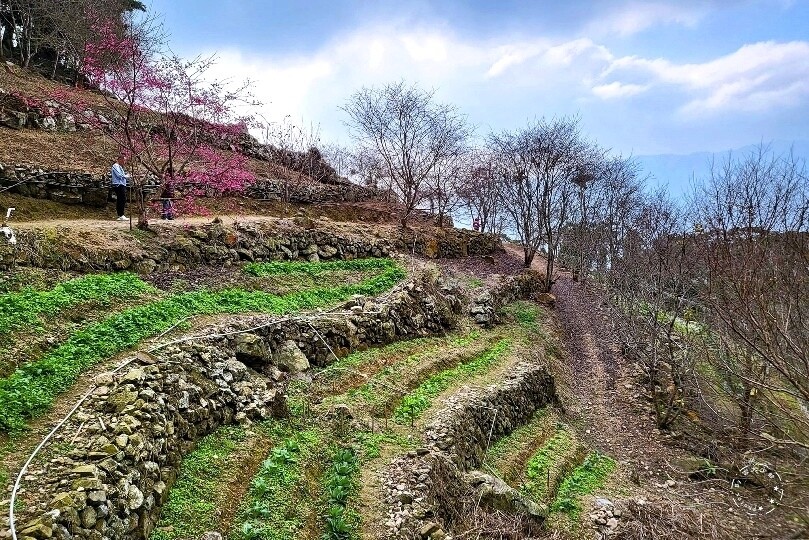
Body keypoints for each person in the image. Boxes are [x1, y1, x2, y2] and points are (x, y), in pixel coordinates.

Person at [111, 155, 130, 221]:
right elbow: (119, 175)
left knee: (121, 199)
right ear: (120, 159)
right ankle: (121, 215)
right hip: (118, 184)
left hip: (121, 184)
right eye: (124, 160)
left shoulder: (119, 166)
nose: (124, 162)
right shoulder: (115, 166)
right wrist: (127, 176)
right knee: (121, 199)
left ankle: (121, 214)